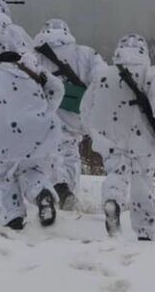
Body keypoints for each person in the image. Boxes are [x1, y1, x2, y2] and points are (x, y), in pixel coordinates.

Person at [81, 34, 155, 240]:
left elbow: (86, 108)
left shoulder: (103, 76)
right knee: (142, 181)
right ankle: (145, 231)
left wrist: (95, 133)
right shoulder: (151, 75)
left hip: (111, 138)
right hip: (142, 138)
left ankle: (112, 200)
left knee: (116, 173)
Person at [0, 39, 64, 230]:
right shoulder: (33, 70)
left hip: (4, 135)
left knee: (2, 176)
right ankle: (42, 194)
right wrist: (45, 112)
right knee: (33, 170)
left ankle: (13, 218)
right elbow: (57, 88)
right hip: (41, 132)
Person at [33, 19, 106, 210]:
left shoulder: (35, 56)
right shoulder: (87, 53)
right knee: (71, 152)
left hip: (49, 113)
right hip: (77, 114)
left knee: (51, 152)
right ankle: (68, 194)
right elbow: (102, 80)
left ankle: (60, 189)